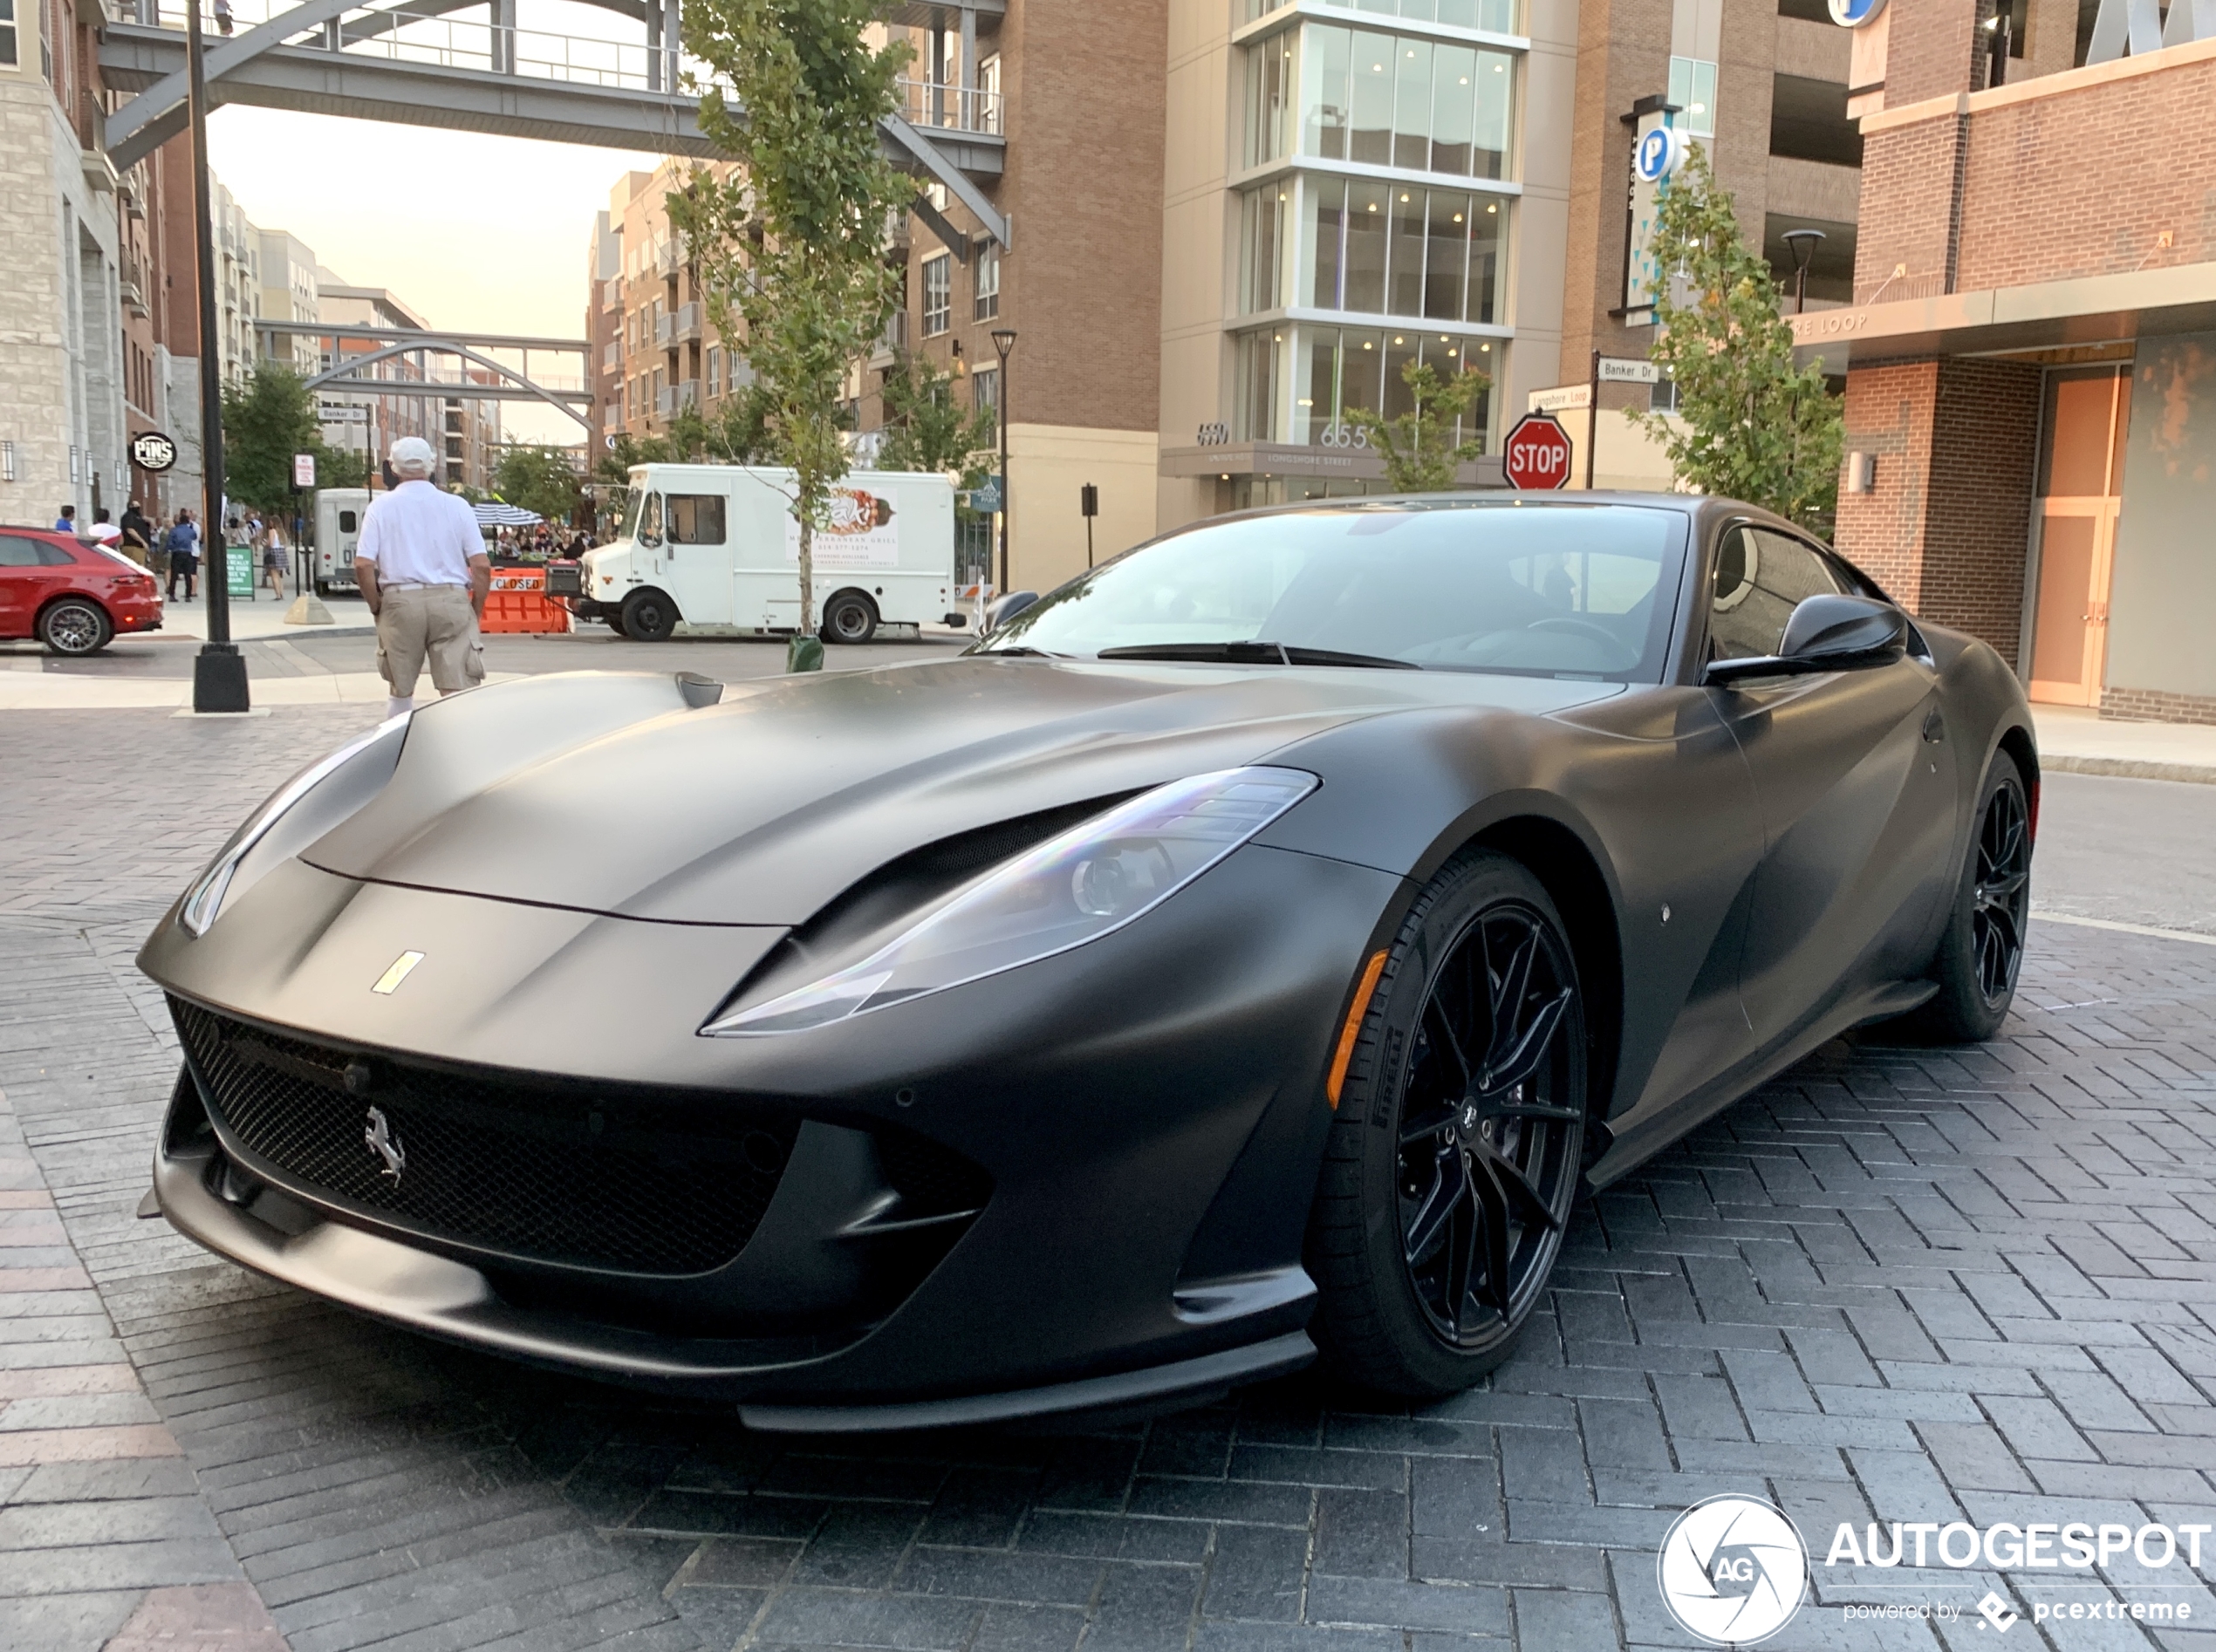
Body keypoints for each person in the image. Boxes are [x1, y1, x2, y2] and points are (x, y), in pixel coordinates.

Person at [355, 436, 490, 721]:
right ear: (432, 464)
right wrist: (474, 610)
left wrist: (376, 606)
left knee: (400, 689)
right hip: (450, 597)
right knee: (457, 687)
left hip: (400, 599)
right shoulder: (457, 506)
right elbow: (480, 566)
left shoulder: (381, 507)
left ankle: (400, 747)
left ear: (393, 468)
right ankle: (458, 748)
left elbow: (363, 564)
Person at [164, 510, 200, 600]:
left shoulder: (174, 530)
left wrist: (169, 549)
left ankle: (172, 595)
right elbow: (195, 537)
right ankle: (188, 596)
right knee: (188, 575)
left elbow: (170, 543)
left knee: (174, 575)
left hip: (177, 553)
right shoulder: (190, 531)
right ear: (188, 521)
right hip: (188, 553)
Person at [120, 499, 154, 570]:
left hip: (140, 548)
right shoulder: (128, 516)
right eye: (136, 506)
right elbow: (130, 530)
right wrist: (142, 542)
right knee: (137, 569)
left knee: (141, 568)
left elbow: (152, 529)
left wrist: (150, 521)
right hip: (133, 547)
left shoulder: (140, 518)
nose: (138, 508)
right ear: (130, 506)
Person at [263, 520, 287, 598]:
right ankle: (281, 592)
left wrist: (265, 543)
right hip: (281, 553)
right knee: (279, 575)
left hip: (273, 553)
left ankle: (278, 595)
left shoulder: (272, 531)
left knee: (274, 575)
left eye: (271, 522)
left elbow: (271, 544)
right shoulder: (282, 532)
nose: (269, 523)